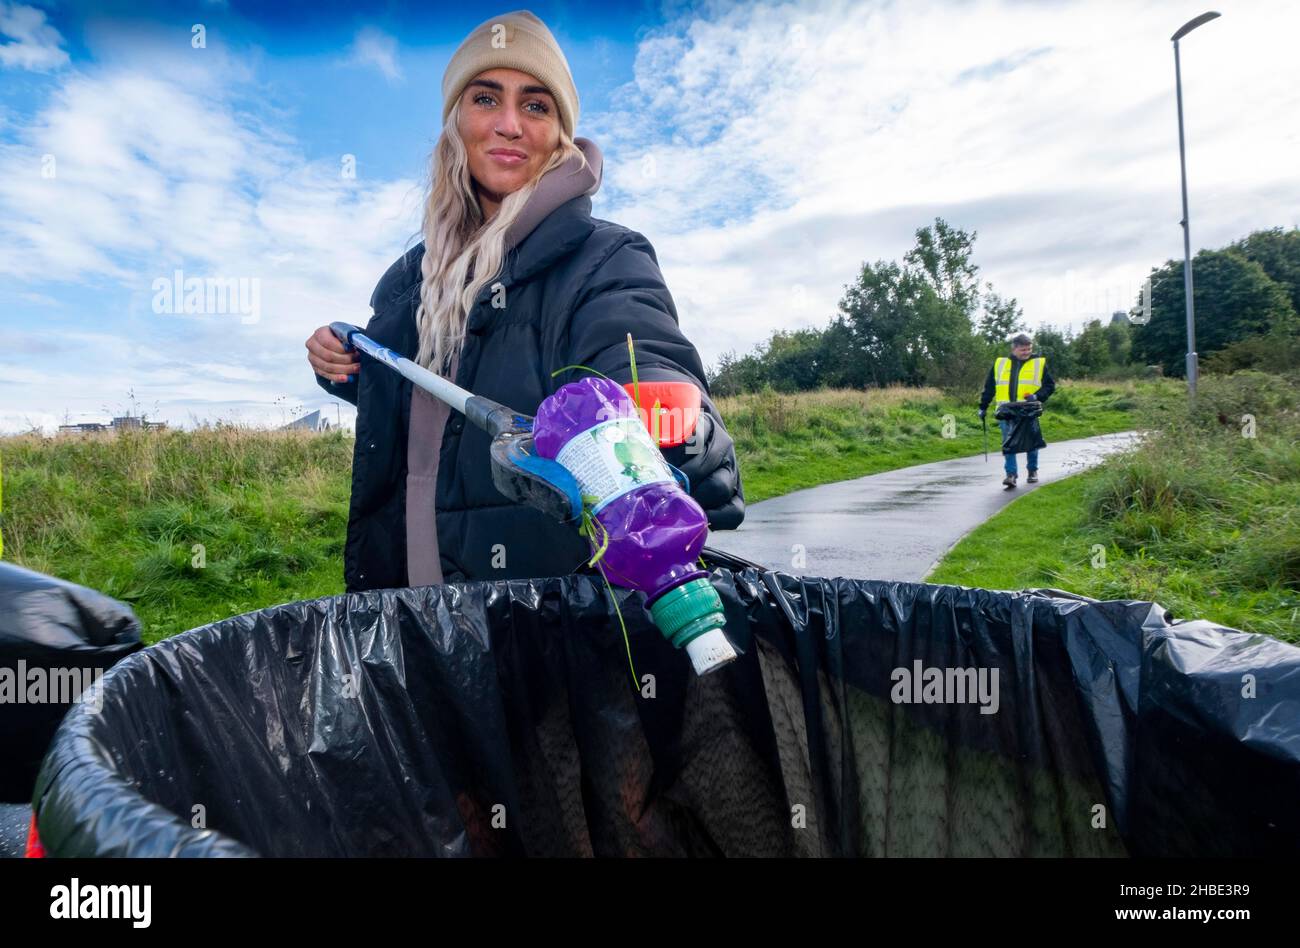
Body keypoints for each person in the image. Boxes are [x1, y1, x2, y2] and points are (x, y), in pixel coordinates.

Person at [304, 10, 744, 591]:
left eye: (535, 105)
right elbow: (430, 409)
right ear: (456, 120)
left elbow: (641, 354)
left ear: (559, 131)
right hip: (405, 602)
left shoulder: (607, 258)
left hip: (547, 627)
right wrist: (350, 372)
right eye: (486, 98)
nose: (510, 124)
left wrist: (674, 426)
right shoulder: (410, 280)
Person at [978, 332, 1055, 489]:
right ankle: (1011, 475)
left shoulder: (1039, 364)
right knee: (1008, 443)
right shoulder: (1000, 364)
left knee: (1032, 442)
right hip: (1006, 411)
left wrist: (1037, 396)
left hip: (1028, 410)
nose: (1027, 352)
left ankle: (1032, 471)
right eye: (1023, 349)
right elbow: (989, 388)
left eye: (1029, 349)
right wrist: (983, 406)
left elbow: (1050, 386)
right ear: (1014, 349)